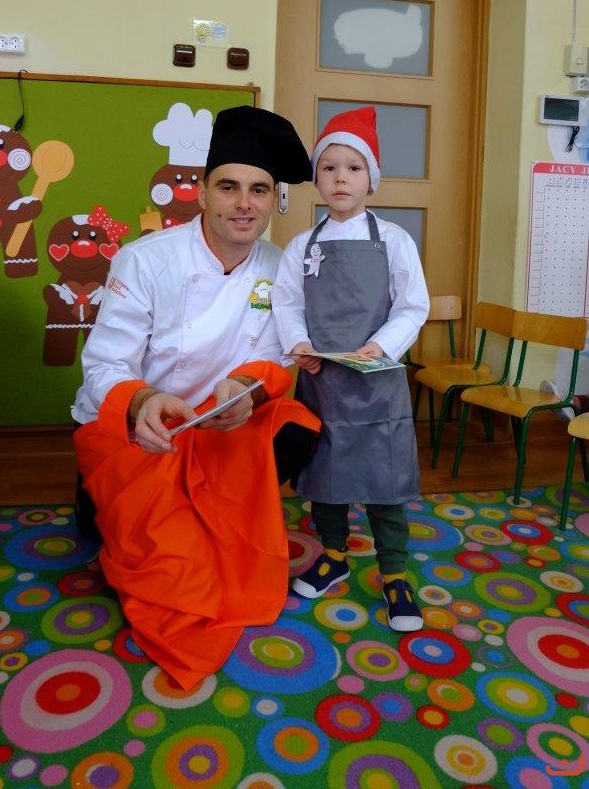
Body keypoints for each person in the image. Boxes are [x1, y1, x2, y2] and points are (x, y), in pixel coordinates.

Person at [71, 105, 319, 689]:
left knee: (298, 426)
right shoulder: (146, 259)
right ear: (202, 193)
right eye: (228, 186)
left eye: (259, 190)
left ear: (274, 200)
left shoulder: (280, 267)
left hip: (219, 429)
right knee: (163, 567)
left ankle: (204, 516)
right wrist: (143, 402)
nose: (244, 203)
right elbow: (104, 364)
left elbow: (280, 357)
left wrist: (247, 391)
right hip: (145, 432)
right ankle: (112, 505)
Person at [272, 106, 430, 632]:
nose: (341, 178)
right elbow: (287, 304)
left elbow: (413, 306)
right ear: (316, 179)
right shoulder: (302, 246)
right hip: (323, 383)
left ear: (370, 179)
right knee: (326, 477)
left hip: (378, 385)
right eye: (330, 167)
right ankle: (335, 555)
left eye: (354, 168)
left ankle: (395, 574)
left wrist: (380, 345)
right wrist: (298, 343)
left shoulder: (395, 241)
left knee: (386, 483)